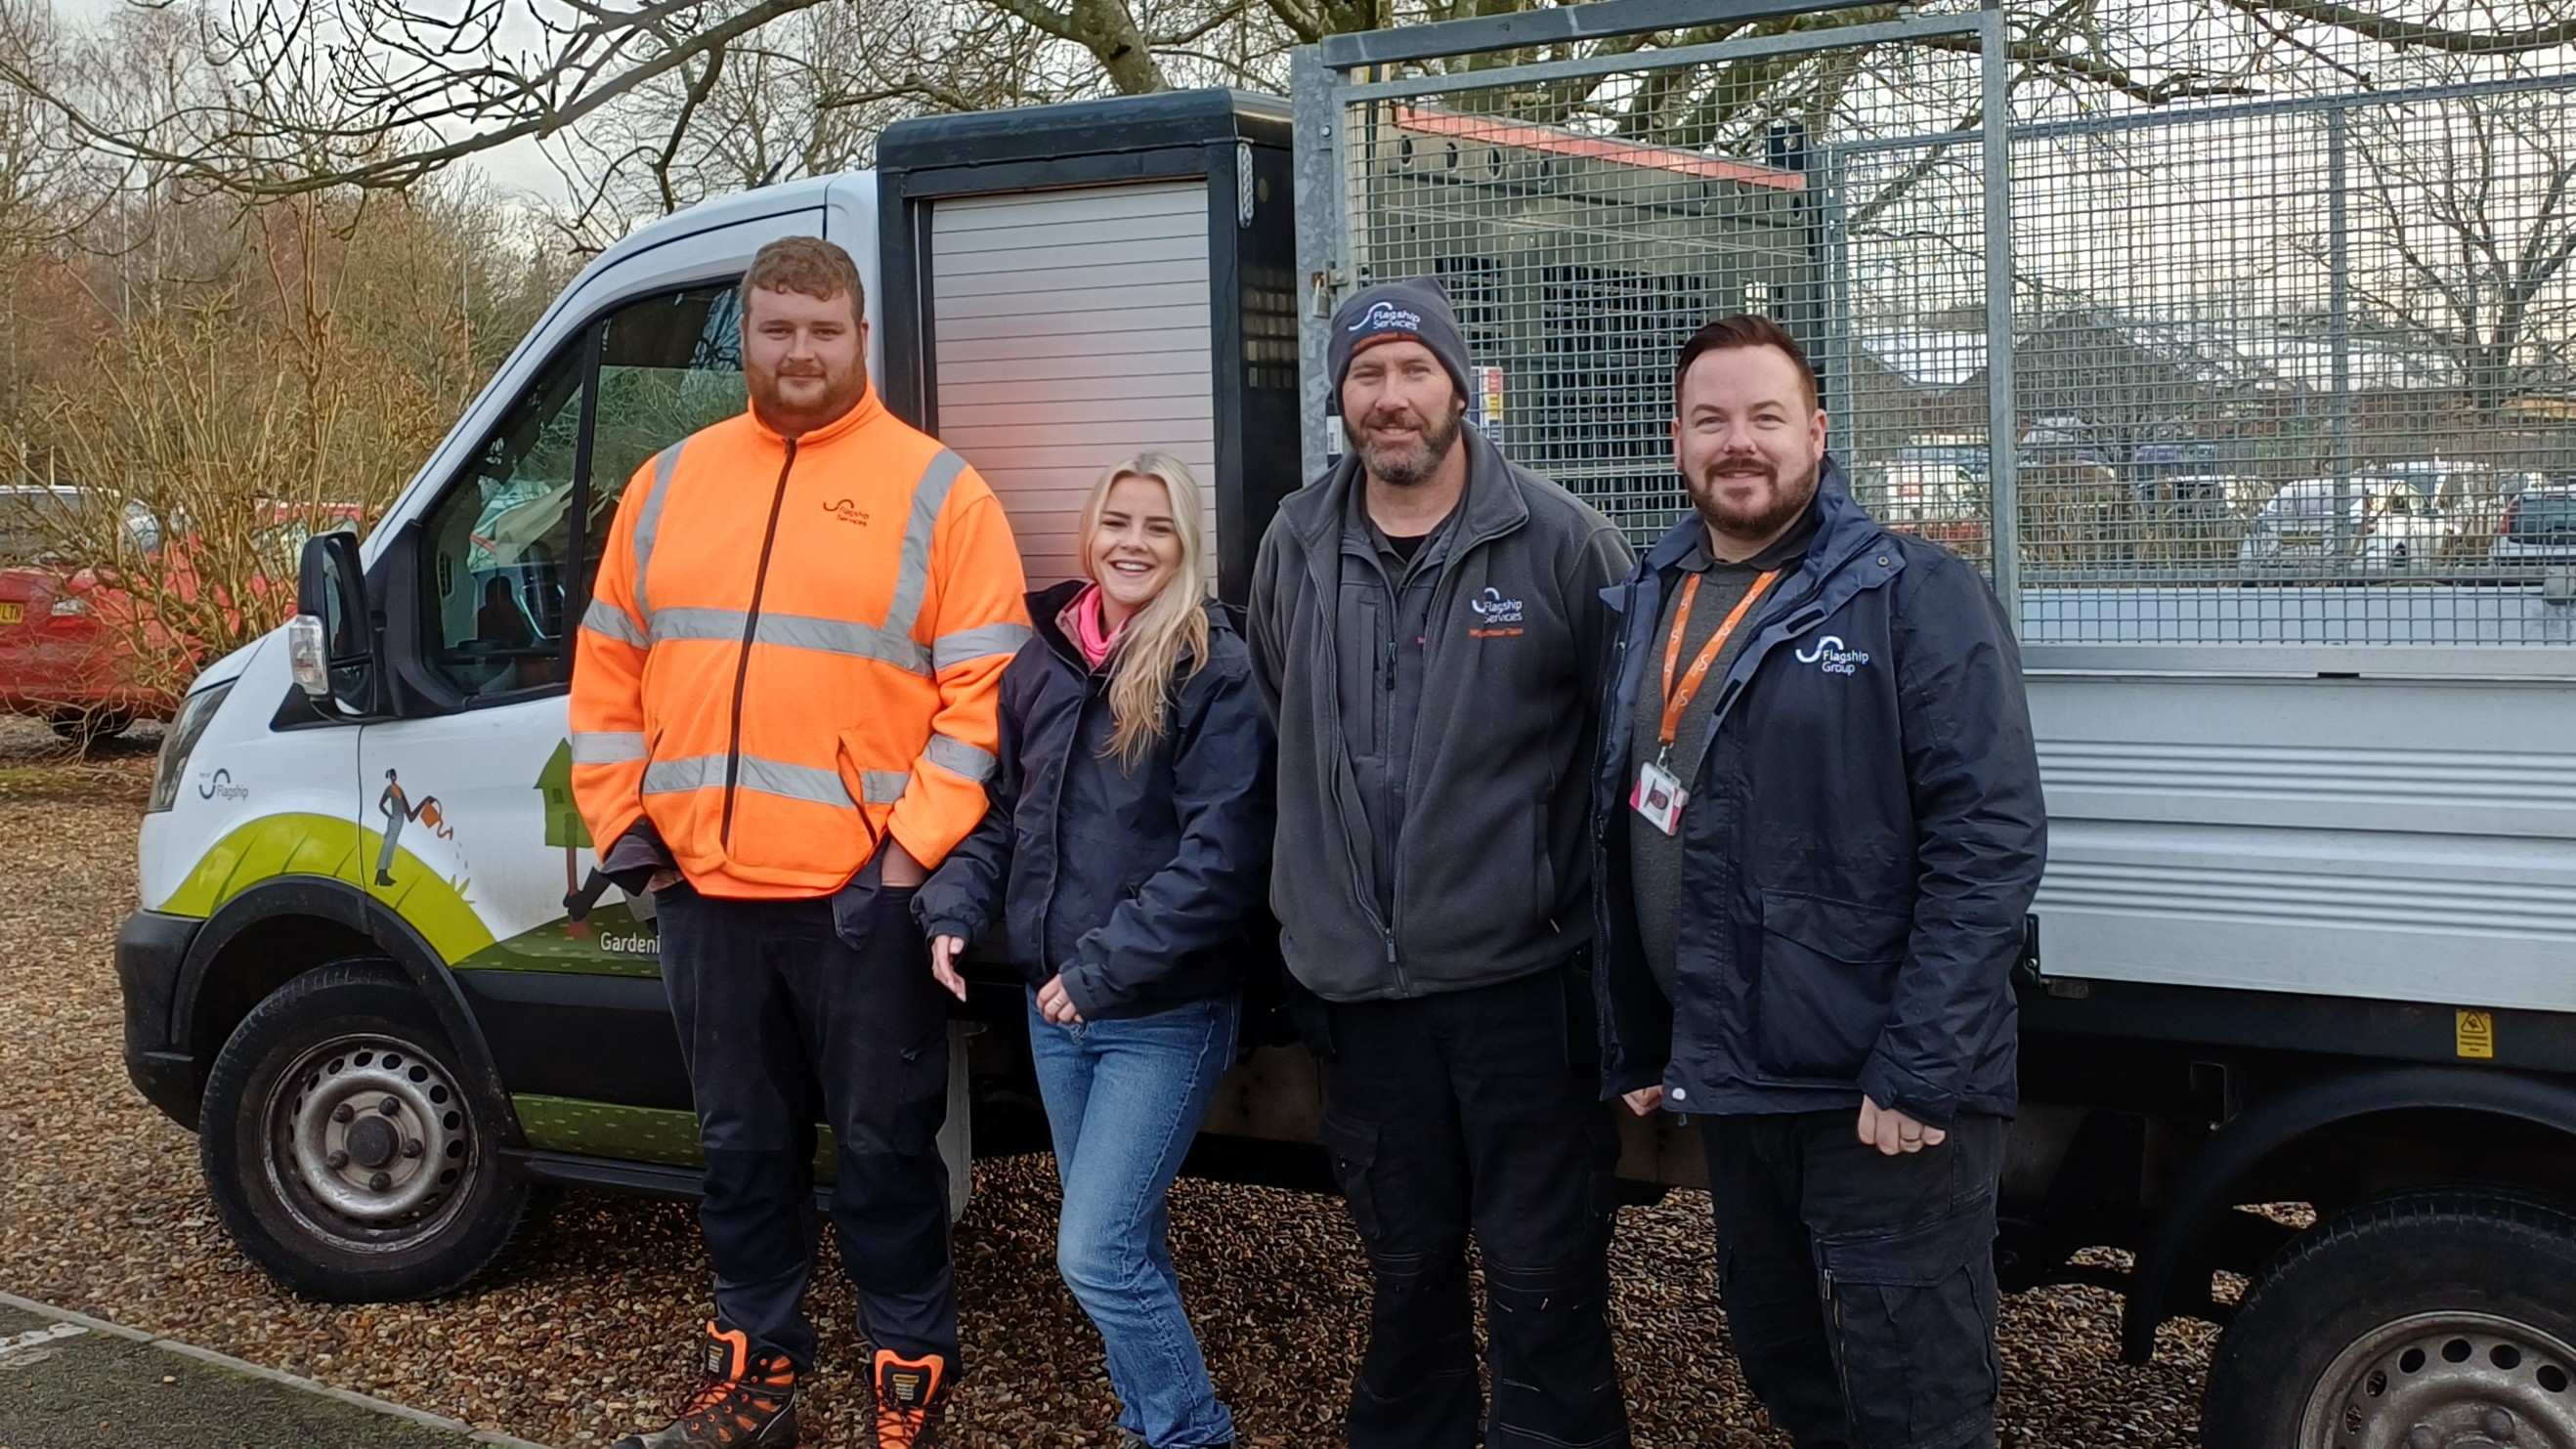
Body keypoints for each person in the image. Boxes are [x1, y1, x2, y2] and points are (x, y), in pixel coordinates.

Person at [571, 234, 1031, 1449]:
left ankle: (907, 1361)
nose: (799, 353)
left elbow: (983, 699)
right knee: (739, 1148)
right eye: (775, 328)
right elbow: (607, 669)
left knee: (884, 1148)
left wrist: (903, 855)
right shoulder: (668, 485)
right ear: (746, 332)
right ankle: (754, 1366)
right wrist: (629, 835)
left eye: (823, 331)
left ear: (860, 338)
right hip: (702, 893)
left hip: (858, 900)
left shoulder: (939, 492)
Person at [1593, 315, 2046, 1449]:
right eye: (1710, 420)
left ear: (1817, 431)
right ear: (1675, 440)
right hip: (1740, 1079)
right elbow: (1629, 822)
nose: (1736, 443)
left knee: (1913, 1400)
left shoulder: (1910, 592)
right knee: (1786, 1361)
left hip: (1876, 1094)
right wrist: (1644, 1039)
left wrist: (1917, 1068)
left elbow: (1986, 836)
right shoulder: (1651, 592)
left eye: (1763, 417)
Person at [1247, 277, 1638, 1449]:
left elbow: (1618, 750)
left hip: (1521, 985)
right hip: (1362, 999)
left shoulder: (1561, 542)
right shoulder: (1295, 541)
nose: (1391, 397)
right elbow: (1282, 709)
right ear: (1340, 399)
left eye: (1415, 370)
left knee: (1542, 1266)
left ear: (1459, 388)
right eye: (1367, 376)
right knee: (1404, 1266)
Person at [916, 452, 1272, 1449]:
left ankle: (1193, 1433)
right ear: (1089, 530)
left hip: (1159, 1013)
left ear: (1186, 545)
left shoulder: (1210, 667)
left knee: (1096, 1252)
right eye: (1117, 520)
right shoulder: (1045, 656)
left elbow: (1220, 858)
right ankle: (1146, 1423)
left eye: (1158, 527)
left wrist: (1100, 970)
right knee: (1125, 1241)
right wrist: (954, 905)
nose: (1132, 542)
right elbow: (999, 811)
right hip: (1054, 1006)